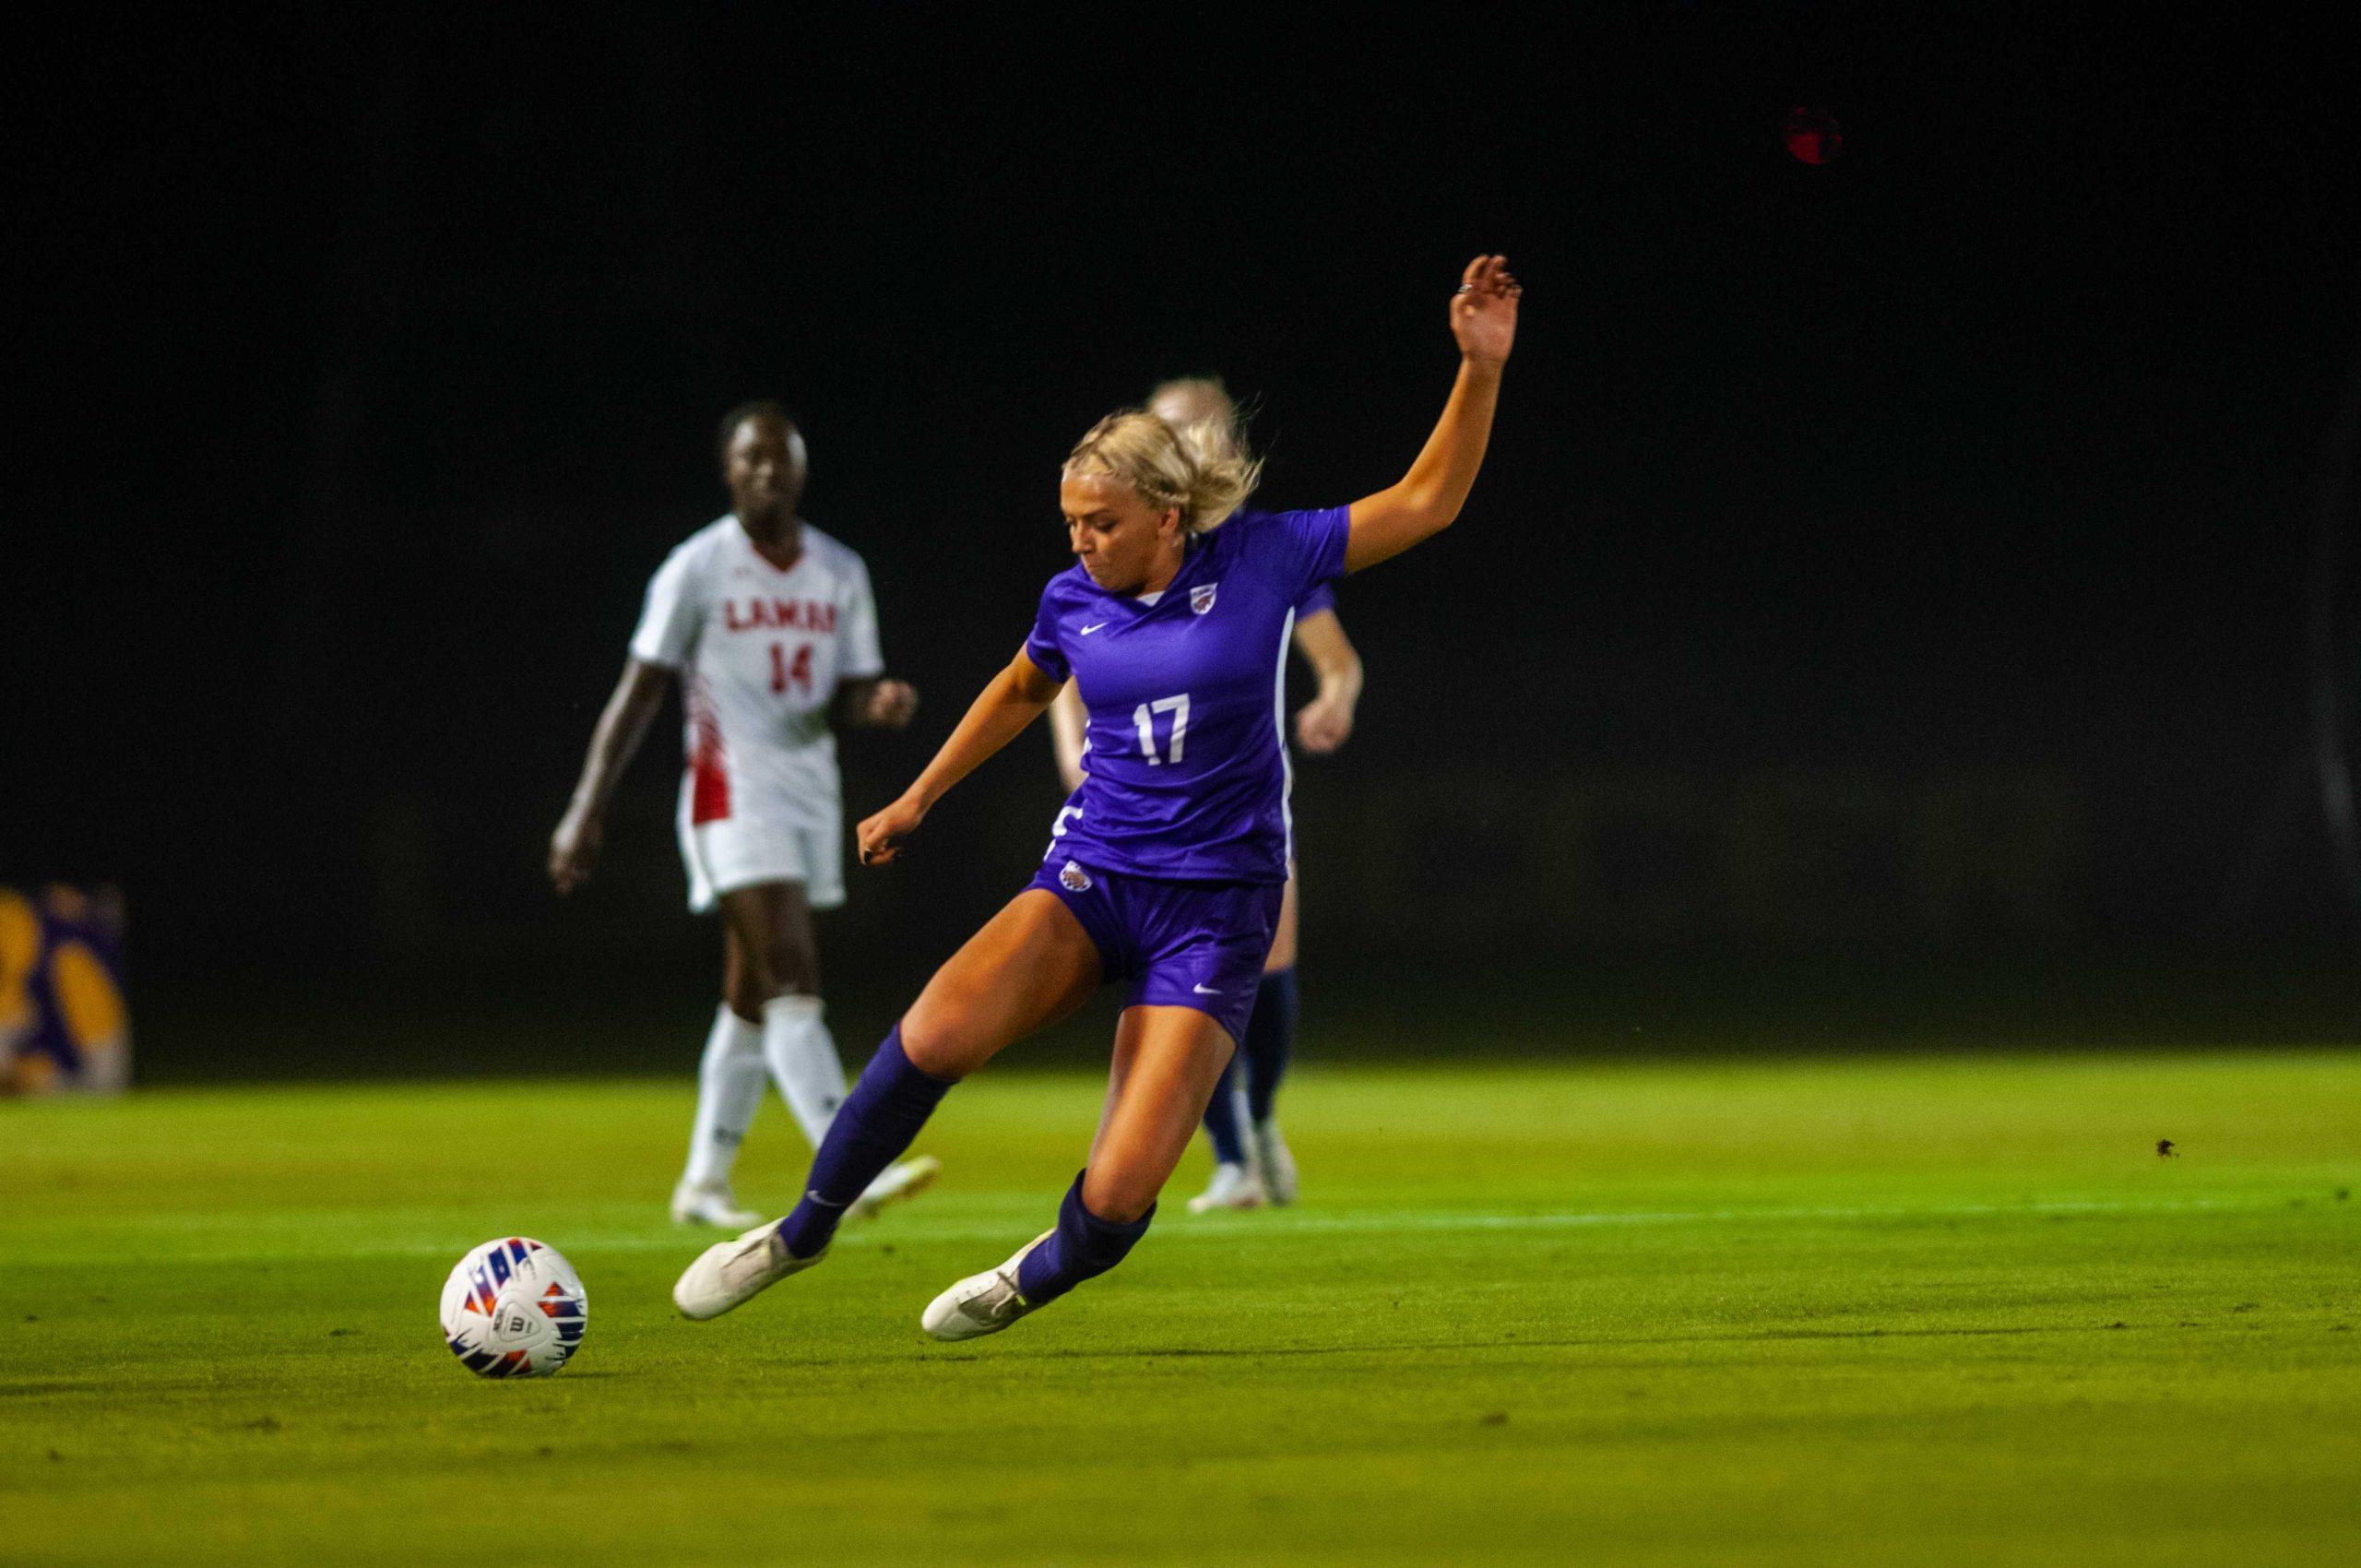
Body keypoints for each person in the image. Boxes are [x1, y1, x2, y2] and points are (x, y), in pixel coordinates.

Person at [673, 255, 1520, 1340]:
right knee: (931, 1032)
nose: (1078, 540)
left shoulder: (1264, 555)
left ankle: (1035, 1271)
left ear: (1169, 514)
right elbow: (1024, 685)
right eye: (1070, 520)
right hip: (1096, 875)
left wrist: (1478, 367)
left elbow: (1428, 499)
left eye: (1100, 521)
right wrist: (919, 796)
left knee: (1118, 1202)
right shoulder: (1071, 595)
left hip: (1217, 904)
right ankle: (799, 1229)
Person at [551, 401, 941, 1228]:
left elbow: (847, 692)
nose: (767, 472)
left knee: (751, 998)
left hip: (808, 792)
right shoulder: (697, 567)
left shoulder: (839, 569)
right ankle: (855, 1161)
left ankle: (702, 1184)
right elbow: (638, 693)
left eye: (781, 459)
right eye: (750, 459)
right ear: (728, 471)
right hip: (730, 793)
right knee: (794, 975)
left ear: (800, 471)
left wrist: (879, 702)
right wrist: (587, 807)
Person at [1048, 376, 1363, 1212]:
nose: (1188, 445)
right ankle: (1230, 1158)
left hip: (1249, 807)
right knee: (1169, 980)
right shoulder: (1122, 548)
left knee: (1271, 966)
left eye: (1202, 432)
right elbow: (1063, 655)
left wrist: (1334, 695)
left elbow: (1335, 655)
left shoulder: (1265, 549)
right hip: (1144, 817)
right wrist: (1068, 743)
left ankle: (1257, 1120)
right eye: (1171, 431)